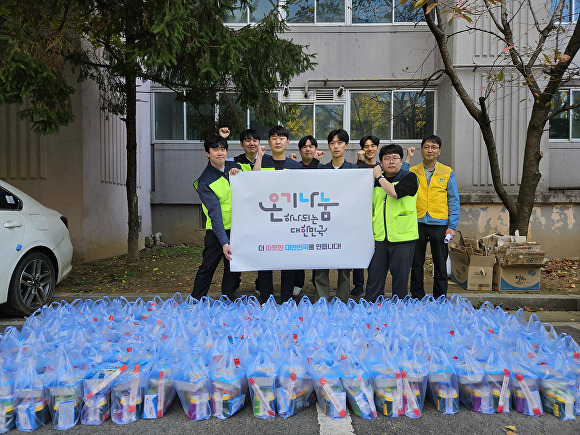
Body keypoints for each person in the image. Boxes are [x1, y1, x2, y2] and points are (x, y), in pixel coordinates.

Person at [252, 125, 303, 304]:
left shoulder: (296, 167)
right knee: (265, 260)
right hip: (266, 221)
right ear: (269, 142)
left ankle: (287, 299)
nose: (278, 141)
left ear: (287, 142)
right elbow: (253, 182)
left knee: (287, 261)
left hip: (289, 222)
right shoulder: (262, 163)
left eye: (281, 138)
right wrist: (259, 156)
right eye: (274, 138)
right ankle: (265, 298)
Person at [407, 135, 460, 300]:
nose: (430, 150)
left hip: (440, 223)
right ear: (421, 150)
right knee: (416, 262)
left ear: (439, 151)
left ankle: (440, 297)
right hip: (418, 221)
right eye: (426, 147)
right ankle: (417, 295)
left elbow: (453, 199)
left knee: (440, 262)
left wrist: (452, 226)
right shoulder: (413, 171)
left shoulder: (447, 171)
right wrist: (407, 158)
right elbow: (399, 178)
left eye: (434, 147)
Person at [365, 144, 419, 302]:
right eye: (387, 158)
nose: (391, 161)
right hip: (380, 239)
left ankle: (399, 312)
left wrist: (379, 177)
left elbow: (395, 193)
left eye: (395, 158)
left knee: (400, 280)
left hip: (403, 238)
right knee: (374, 278)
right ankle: (371, 310)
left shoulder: (409, 177)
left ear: (401, 161)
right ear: (381, 163)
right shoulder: (373, 182)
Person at [191, 134, 242, 301]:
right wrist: (224, 242)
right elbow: (215, 214)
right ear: (207, 153)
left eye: (223, 149)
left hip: (236, 228)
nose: (220, 153)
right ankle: (196, 300)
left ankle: (228, 298)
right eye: (215, 149)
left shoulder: (233, 166)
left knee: (233, 267)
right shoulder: (205, 181)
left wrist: (240, 174)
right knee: (208, 266)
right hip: (216, 231)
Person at [314, 129, 358, 302]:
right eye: (332, 143)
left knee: (344, 266)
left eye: (339, 142)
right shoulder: (321, 169)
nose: (336, 146)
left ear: (346, 145)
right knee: (320, 264)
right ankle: (321, 299)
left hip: (345, 225)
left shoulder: (355, 170)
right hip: (323, 223)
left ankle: (343, 300)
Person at [292, 135, 323, 295]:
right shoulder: (293, 167)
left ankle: (317, 284)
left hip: (318, 218)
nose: (308, 149)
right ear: (300, 150)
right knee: (298, 251)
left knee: (317, 251)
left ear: (316, 150)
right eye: (304, 146)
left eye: (311, 146)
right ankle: (298, 283)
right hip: (297, 217)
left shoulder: (323, 168)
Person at [351, 135, 381, 295]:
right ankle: (358, 284)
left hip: (378, 214)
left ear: (377, 148)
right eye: (366, 146)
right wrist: (359, 162)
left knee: (375, 252)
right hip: (360, 214)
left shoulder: (381, 168)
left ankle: (373, 283)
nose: (370, 149)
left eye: (373, 146)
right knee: (359, 248)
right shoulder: (358, 167)